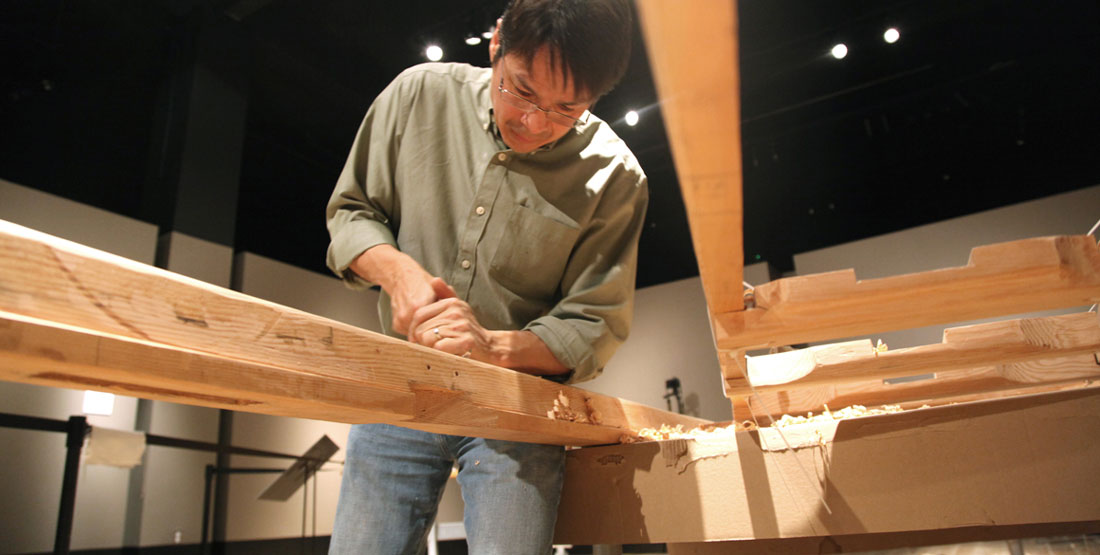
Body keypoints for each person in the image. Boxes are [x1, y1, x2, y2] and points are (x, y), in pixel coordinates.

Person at [325, 0, 644, 552]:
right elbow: (352, 212)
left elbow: (593, 323)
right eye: (520, 90)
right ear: (497, 42)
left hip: (516, 406)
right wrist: (399, 274)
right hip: (401, 380)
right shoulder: (418, 95)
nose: (535, 123)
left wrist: (492, 346)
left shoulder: (615, 177)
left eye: (566, 108)